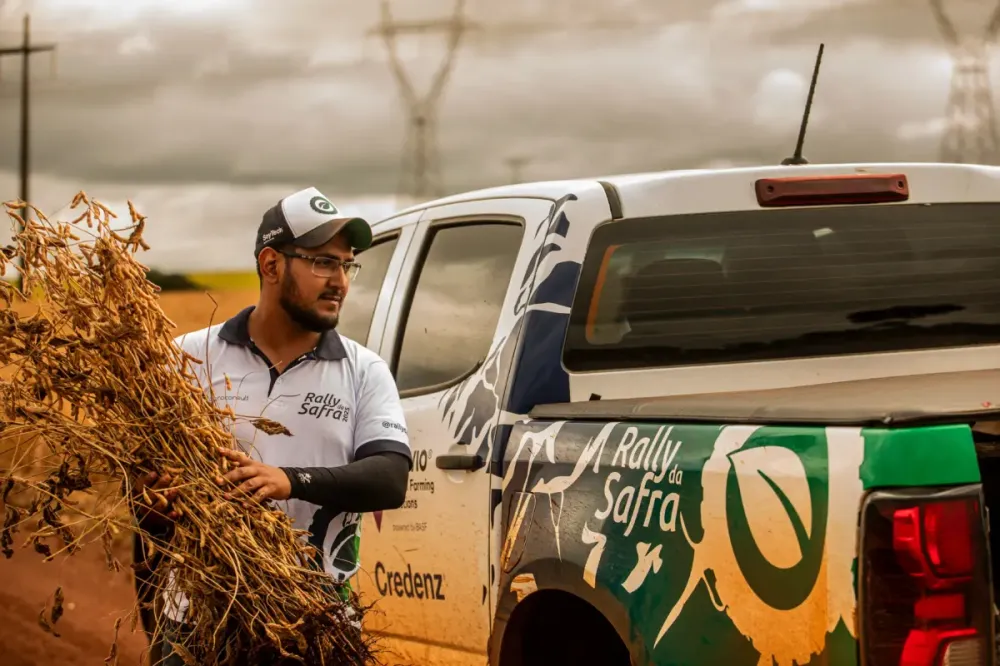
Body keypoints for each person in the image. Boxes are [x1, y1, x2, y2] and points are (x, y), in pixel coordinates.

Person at [133, 186, 412, 665]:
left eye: (347, 265)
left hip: (316, 624)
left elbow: (389, 477)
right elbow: (142, 493)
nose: (340, 281)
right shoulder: (186, 359)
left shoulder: (364, 371)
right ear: (270, 264)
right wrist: (154, 503)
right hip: (197, 625)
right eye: (323, 262)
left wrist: (290, 481)